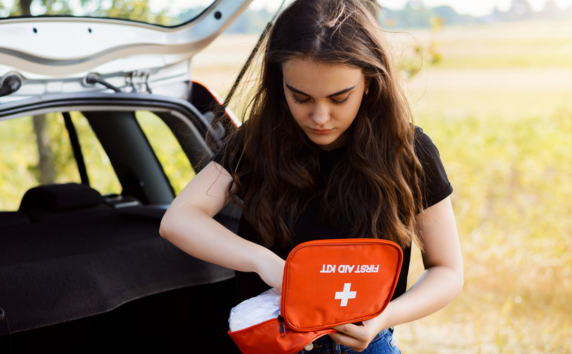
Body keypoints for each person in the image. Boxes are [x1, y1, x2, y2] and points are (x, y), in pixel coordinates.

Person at [159, 0, 463, 353]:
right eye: (300, 97)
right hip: (275, 342)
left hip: (367, 343)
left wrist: (383, 317)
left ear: (369, 81)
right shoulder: (259, 143)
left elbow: (447, 271)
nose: (320, 117)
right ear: (279, 82)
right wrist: (265, 263)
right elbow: (178, 220)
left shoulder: (409, 151)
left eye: (339, 98)